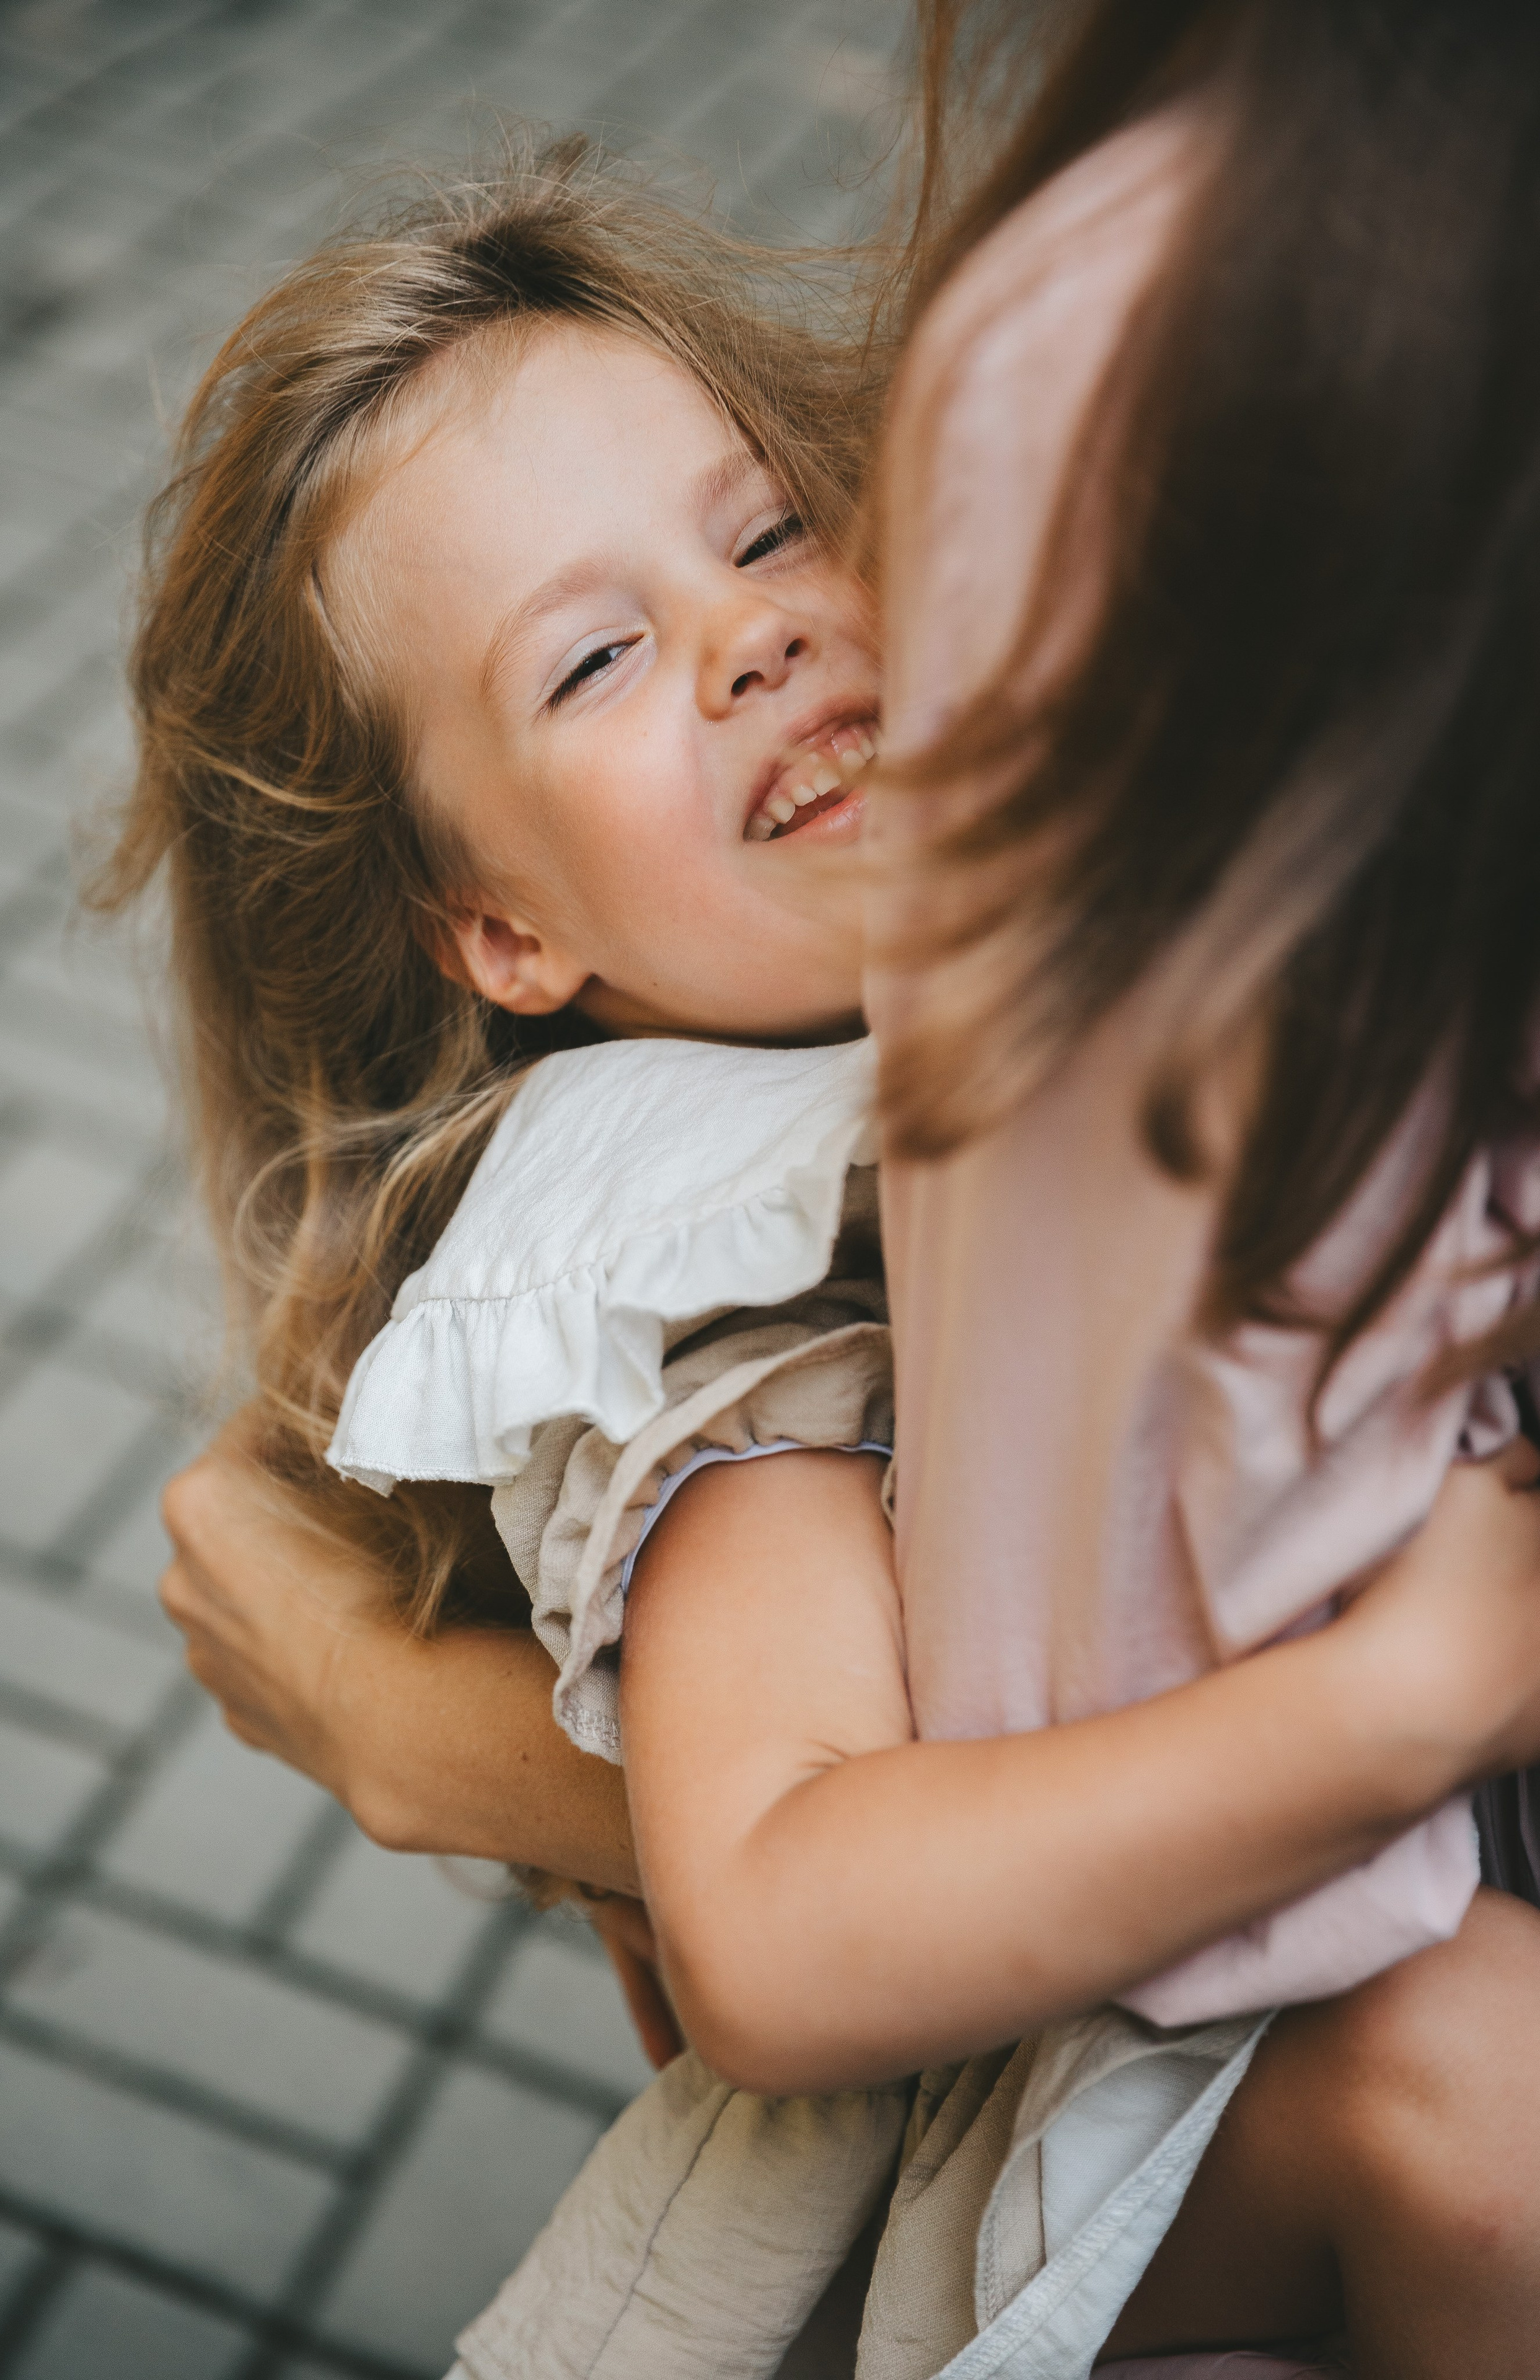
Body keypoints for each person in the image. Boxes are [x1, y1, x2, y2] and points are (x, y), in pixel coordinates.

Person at [143, 15, 1540, 2380]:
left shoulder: (1148, 924)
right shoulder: (713, 1285)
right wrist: (1402, 1703)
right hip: (1098, 2178)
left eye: (768, 527)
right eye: (594, 660)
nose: (746, 634)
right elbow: (779, 1933)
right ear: (505, 936)